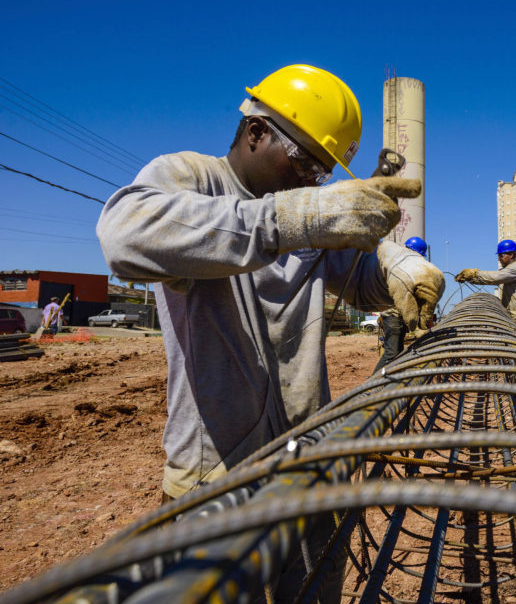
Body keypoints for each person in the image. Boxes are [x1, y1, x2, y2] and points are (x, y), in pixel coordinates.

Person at [97, 64, 444, 502]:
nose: (308, 181)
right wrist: (292, 218)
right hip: (215, 476)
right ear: (256, 132)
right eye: (304, 162)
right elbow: (124, 237)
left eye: (321, 175)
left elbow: (359, 278)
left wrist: (396, 266)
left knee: (314, 569)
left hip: (303, 457)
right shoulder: (192, 178)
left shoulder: (305, 220)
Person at [455, 239, 516, 338]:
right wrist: (470, 279)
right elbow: (490, 279)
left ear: (511, 254)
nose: (499, 259)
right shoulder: (508, 271)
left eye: (501, 255)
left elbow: (494, 277)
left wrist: (473, 274)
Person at [372, 236, 431, 373]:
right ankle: (372, 387)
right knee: (392, 353)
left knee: (397, 351)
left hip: (393, 315)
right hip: (393, 315)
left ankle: (387, 383)